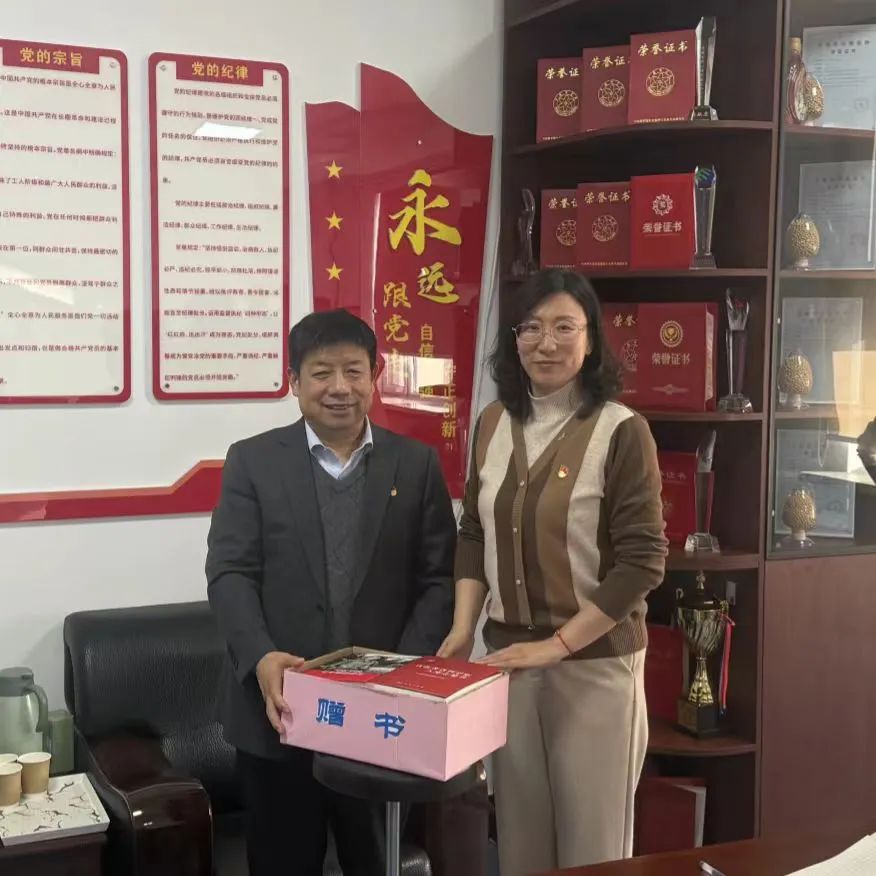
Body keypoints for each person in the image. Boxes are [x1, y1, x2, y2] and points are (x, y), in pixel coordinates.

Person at [206, 308, 456, 876]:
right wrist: (261, 656)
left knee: (376, 862)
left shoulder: (415, 464)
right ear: (294, 382)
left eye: (353, 371)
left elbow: (437, 579)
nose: (339, 387)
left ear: (376, 375)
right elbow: (230, 572)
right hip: (280, 712)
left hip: (380, 717)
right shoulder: (253, 461)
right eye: (321, 373)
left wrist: (401, 672)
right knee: (282, 863)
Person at [438, 269, 667, 875]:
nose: (547, 343)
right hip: (508, 664)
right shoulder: (491, 424)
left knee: (594, 849)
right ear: (513, 340)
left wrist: (557, 646)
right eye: (531, 328)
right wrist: (463, 630)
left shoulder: (621, 431)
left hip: (594, 668)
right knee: (520, 845)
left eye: (565, 327)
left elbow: (642, 562)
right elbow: (474, 531)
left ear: (590, 340)